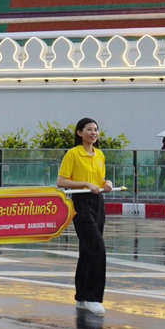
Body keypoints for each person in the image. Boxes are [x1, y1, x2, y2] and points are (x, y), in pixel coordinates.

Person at [57, 118, 112, 316]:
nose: (93, 133)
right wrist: (85, 184)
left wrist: (107, 183)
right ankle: (93, 298)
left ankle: (81, 296)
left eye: (96, 129)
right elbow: (61, 181)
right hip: (80, 203)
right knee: (97, 247)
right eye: (89, 129)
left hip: (97, 203)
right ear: (80, 133)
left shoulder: (99, 154)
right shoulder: (73, 154)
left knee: (88, 249)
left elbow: (100, 179)